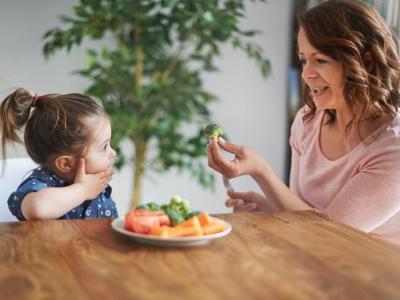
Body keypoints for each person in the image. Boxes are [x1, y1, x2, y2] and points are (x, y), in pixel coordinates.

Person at [207, 0, 400, 244]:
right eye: (303, 60)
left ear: (366, 62)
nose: (307, 74)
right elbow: (305, 213)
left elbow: (332, 237)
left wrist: (261, 172)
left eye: (320, 60)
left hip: (368, 276)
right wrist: (267, 206)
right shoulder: (307, 121)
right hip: (317, 262)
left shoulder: (392, 148)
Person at [0, 88, 118, 220]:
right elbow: (37, 208)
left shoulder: (97, 188)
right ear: (67, 163)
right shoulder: (42, 184)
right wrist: (83, 190)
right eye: (104, 147)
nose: (113, 153)